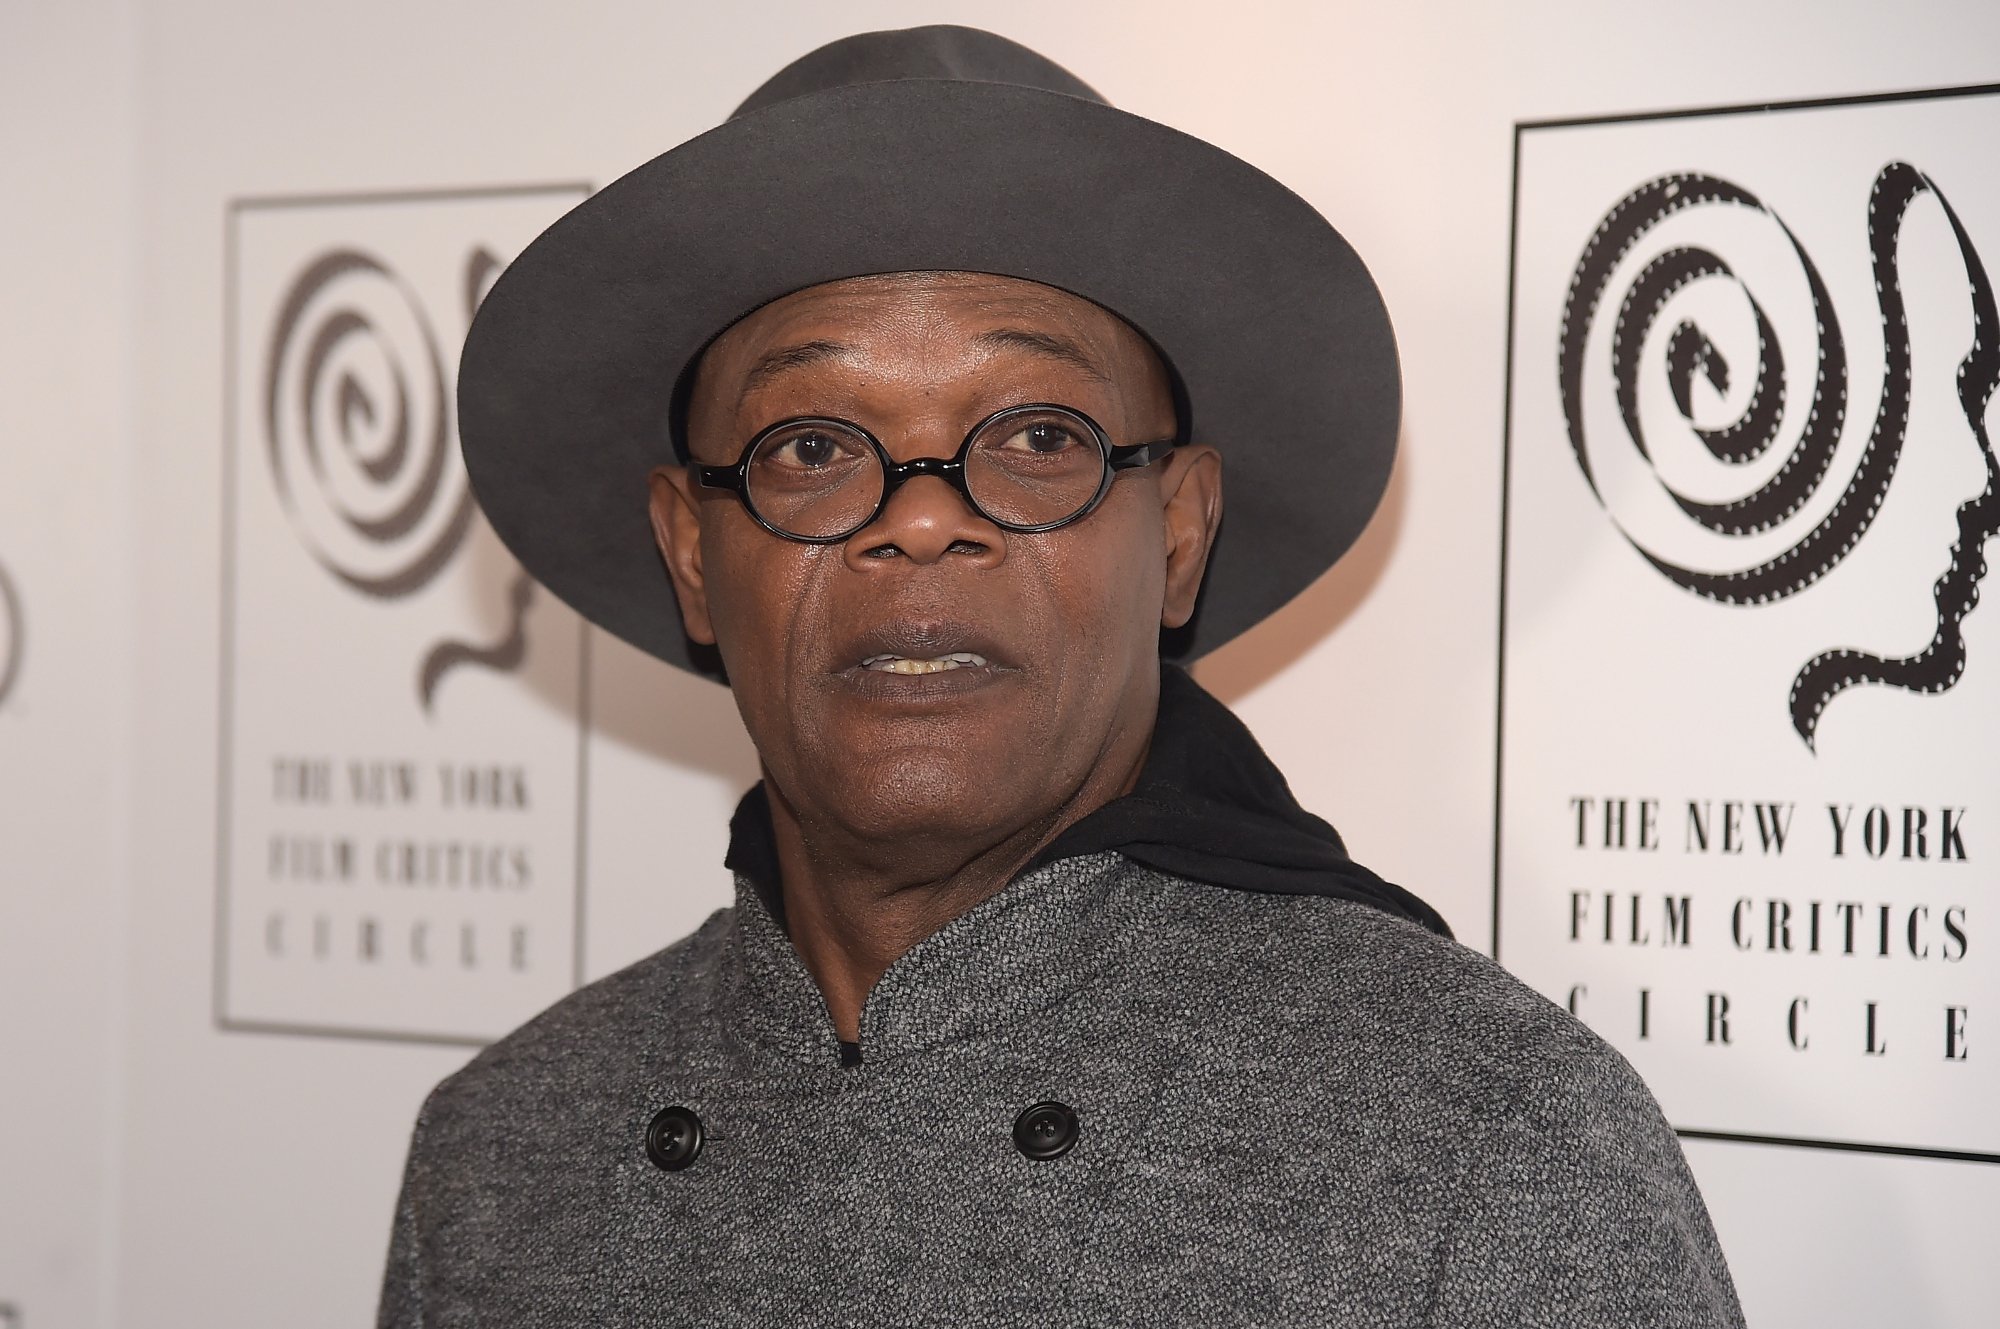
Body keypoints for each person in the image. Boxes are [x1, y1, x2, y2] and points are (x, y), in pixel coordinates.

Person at [380, 25, 1744, 1327]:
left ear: (1180, 535)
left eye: (1037, 432)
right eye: (811, 445)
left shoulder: (1485, 1139)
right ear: (690, 550)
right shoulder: (502, 1154)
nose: (919, 519)